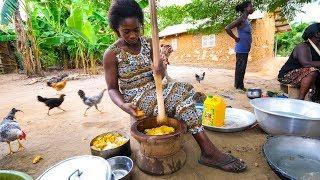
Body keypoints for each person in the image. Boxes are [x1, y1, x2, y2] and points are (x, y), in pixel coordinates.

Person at [103, 0, 246, 173]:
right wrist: (124, 105)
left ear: (141, 26)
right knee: (181, 97)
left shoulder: (149, 43)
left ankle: (207, 150)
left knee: (185, 90)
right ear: (116, 29)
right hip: (136, 98)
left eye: (136, 29)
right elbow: (112, 88)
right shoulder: (111, 54)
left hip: (156, 90)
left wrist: (159, 68)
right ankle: (209, 151)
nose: (133, 35)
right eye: (126, 32)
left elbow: (161, 76)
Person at [278, 23, 320, 101]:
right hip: (287, 75)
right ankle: (300, 100)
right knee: (312, 71)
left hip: (307, 76)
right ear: (318, 34)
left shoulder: (318, 47)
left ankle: (316, 98)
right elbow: (306, 63)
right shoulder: (302, 46)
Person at [225, 1, 254, 91]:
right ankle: (239, 86)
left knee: (242, 67)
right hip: (241, 48)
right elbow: (227, 28)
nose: (252, 8)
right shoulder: (241, 19)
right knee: (241, 67)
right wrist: (235, 38)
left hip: (245, 48)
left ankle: (238, 85)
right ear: (245, 8)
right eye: (250, 6)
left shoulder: (246, 20)